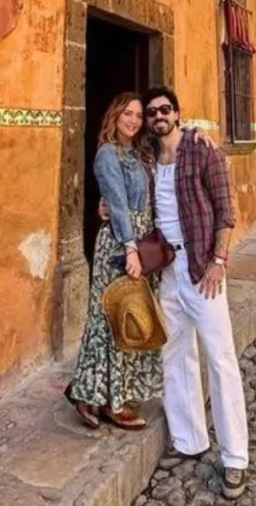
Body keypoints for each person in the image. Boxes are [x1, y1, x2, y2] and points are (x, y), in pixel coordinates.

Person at [143, 86, 250, 500]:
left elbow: (226, 210)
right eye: (152, 112)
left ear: (177, 113)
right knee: (175, 354)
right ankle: (189, 439)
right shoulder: (148, 157)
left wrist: (218, 261)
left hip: (201, 269)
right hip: (166, 271)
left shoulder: (202, 149)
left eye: (164, 110)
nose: (158, 117)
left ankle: (235, 458)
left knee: (220, 359)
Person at [64, 92, 162, 431]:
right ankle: (110, 402)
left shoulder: (138, 152)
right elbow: (118, 205)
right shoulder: (108, 153)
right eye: (128, 113)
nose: (134, 120)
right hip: (120, 246)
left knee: (128, 317)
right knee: (111, 320)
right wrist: (131, 249)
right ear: (115, 115)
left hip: (139, 242)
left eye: (138, 115)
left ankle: (90, 390)